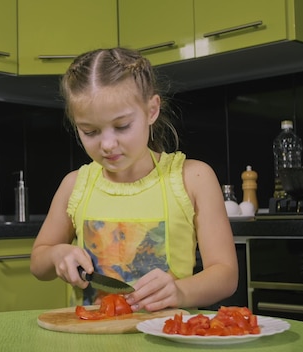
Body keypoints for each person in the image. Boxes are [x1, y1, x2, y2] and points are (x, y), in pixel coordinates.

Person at [30, 47, 238, 312]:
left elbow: (226, 275)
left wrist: (180, 292)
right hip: (90, 340)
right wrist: (57, 255)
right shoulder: (74, 185)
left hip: (167, 339)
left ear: (151, 110)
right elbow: (39, 262)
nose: (107, 144)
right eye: (90, 131)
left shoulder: (192, 178)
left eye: (122, 126)